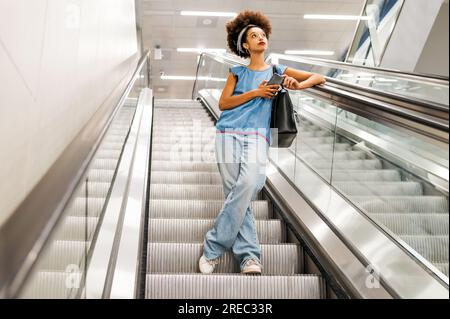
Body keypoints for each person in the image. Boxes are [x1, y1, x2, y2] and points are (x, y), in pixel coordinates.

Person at [199, 10, 326, 275]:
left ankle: (213, 247)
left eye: (263, 35)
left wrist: (297, 86)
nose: (260, 38)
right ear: (245, 45)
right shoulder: (236, 72)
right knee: (236, 191)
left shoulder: (278, 70)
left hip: (257, 135)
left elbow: (319, 78)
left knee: (247, 184)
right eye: (253, 36)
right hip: (228, 132)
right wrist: (256, 92)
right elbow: (223, 103)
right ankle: (249, 258)